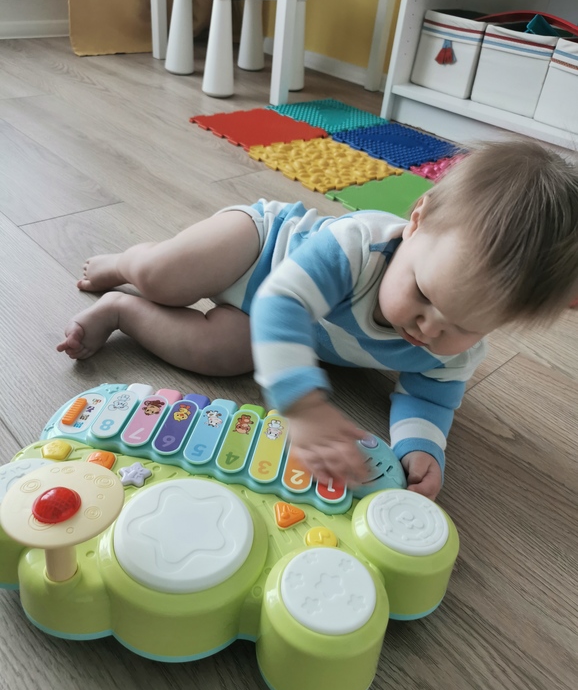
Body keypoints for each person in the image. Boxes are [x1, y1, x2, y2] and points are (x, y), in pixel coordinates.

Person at [57, 140, 578, 501]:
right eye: (422, 293)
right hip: (261, 250)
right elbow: (281, 303)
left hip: (279, 329)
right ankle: (127, 265)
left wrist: (421, 448)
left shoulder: (454, 348)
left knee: (221, 354)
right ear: (416, 223)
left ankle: (121, 309)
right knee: (165, 276)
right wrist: (303, 405)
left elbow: (431, 396)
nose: (430, 328)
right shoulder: (356, 247)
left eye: (463, 325)